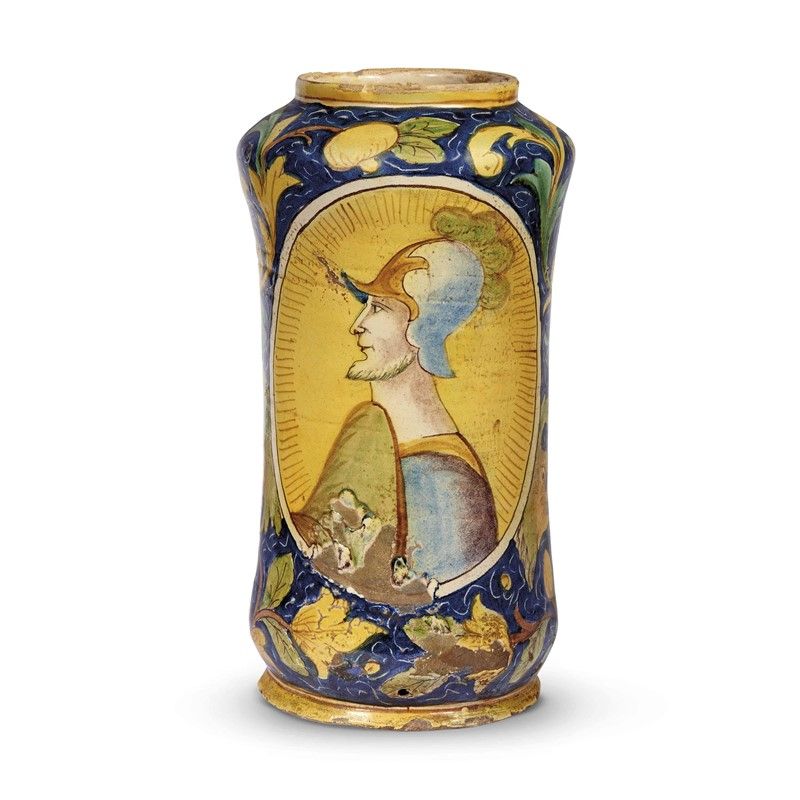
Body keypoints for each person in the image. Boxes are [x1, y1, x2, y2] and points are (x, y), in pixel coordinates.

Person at [291, 237, 497, 605]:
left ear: (421, 328)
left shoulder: (448, 485)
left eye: (379, 308)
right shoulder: (370, 430)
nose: (358, 325)